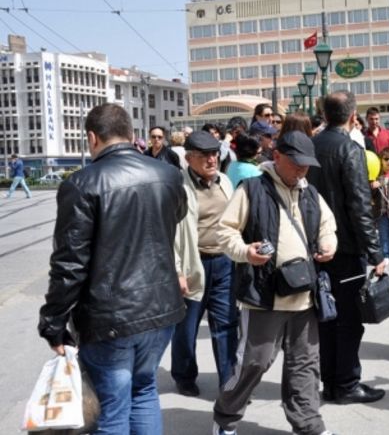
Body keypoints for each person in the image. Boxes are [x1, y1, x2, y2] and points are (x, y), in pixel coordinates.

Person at [38, 103, 187, 434]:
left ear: (92, 137)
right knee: (145, 391)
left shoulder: (82, 184)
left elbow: (69, 263)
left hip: (110, 318)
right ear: (132, 134)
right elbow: (174, 219)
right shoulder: (167, 175)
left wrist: (53, 321)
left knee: (112, 407)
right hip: (160, 309)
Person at [212, 131, 338, 435]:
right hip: (263, 296)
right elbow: (224, 231)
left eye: (306, 165)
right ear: (277, 157)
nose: (301, 170)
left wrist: (328, 243)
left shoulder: (310, 193)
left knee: (305, 365)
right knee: (254, 364)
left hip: (305, 296)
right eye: (296, 163)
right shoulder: (252, 189)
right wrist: (245, 252)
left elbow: (327, 225)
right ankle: (225, 418)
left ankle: (308, 423)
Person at [307, 90, 387, 404]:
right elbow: (358, 206)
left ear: (325, 115)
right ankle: (346, 384)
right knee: (349, 322)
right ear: (353, 117)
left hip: (315, 245)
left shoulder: (310, 147)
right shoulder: (349, 149)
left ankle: (332, 381)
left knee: (325, 318)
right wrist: (376, 252)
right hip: (346, 248)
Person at [170, 131, 238, 397]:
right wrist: (177, 271)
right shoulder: (178, 187)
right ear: (189, 158)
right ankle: (184, 375)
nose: (212, 160)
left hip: (224, 263)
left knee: (226, 324)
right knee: (187, 327)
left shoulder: (224, 181)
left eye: (215, 154)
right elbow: (171, 233)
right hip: (193, 265)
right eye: (205, 155)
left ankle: (229, 380)